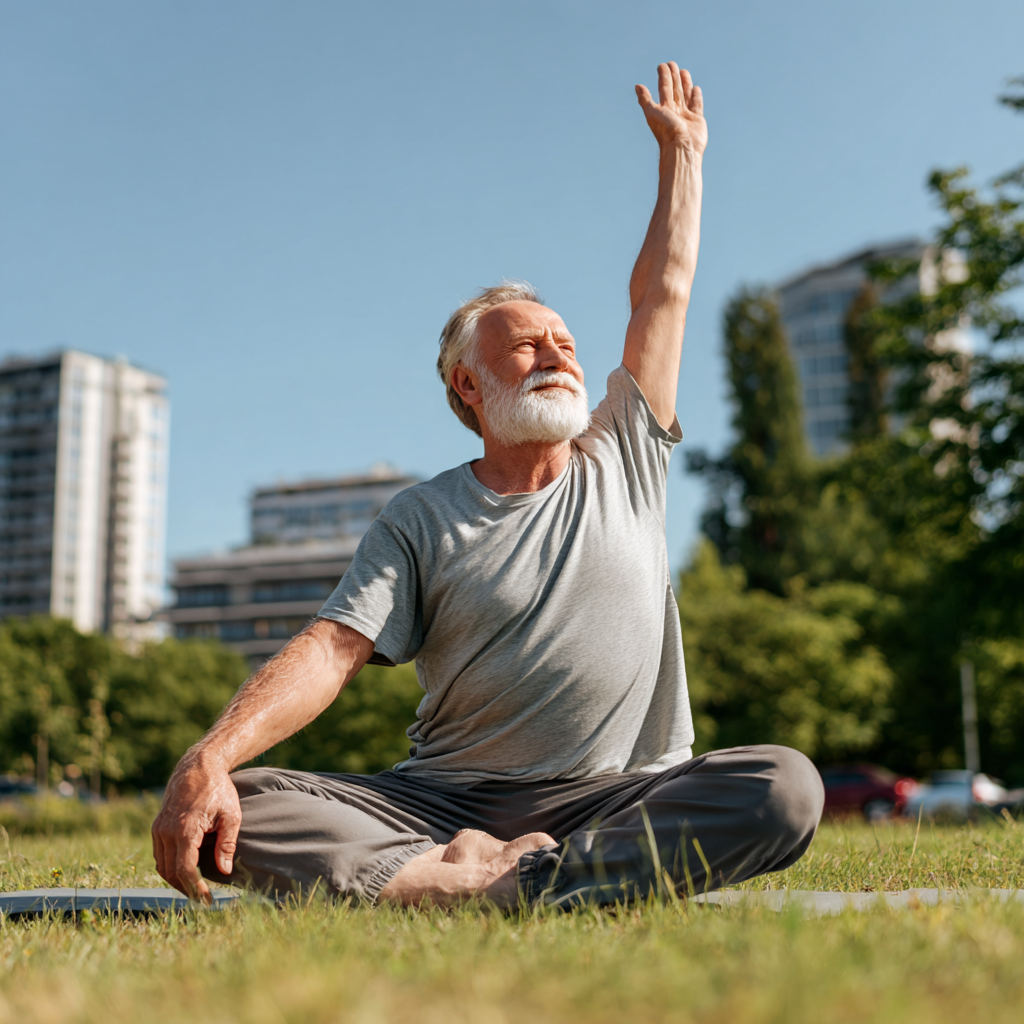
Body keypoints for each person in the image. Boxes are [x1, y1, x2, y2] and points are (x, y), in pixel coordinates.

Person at [152, 62, 824, 909]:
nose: (558, 355)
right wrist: (210, 754)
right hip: (439, 802)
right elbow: (332, 650)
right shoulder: (420, 516)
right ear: (469, 387)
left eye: (566, 344)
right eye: (528, 346)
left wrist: (683, 156)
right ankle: (479, 875)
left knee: (784, 787)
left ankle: (476, 886)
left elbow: (664, 294)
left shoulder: (625, 452)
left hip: (616, 796)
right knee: (241, 802)